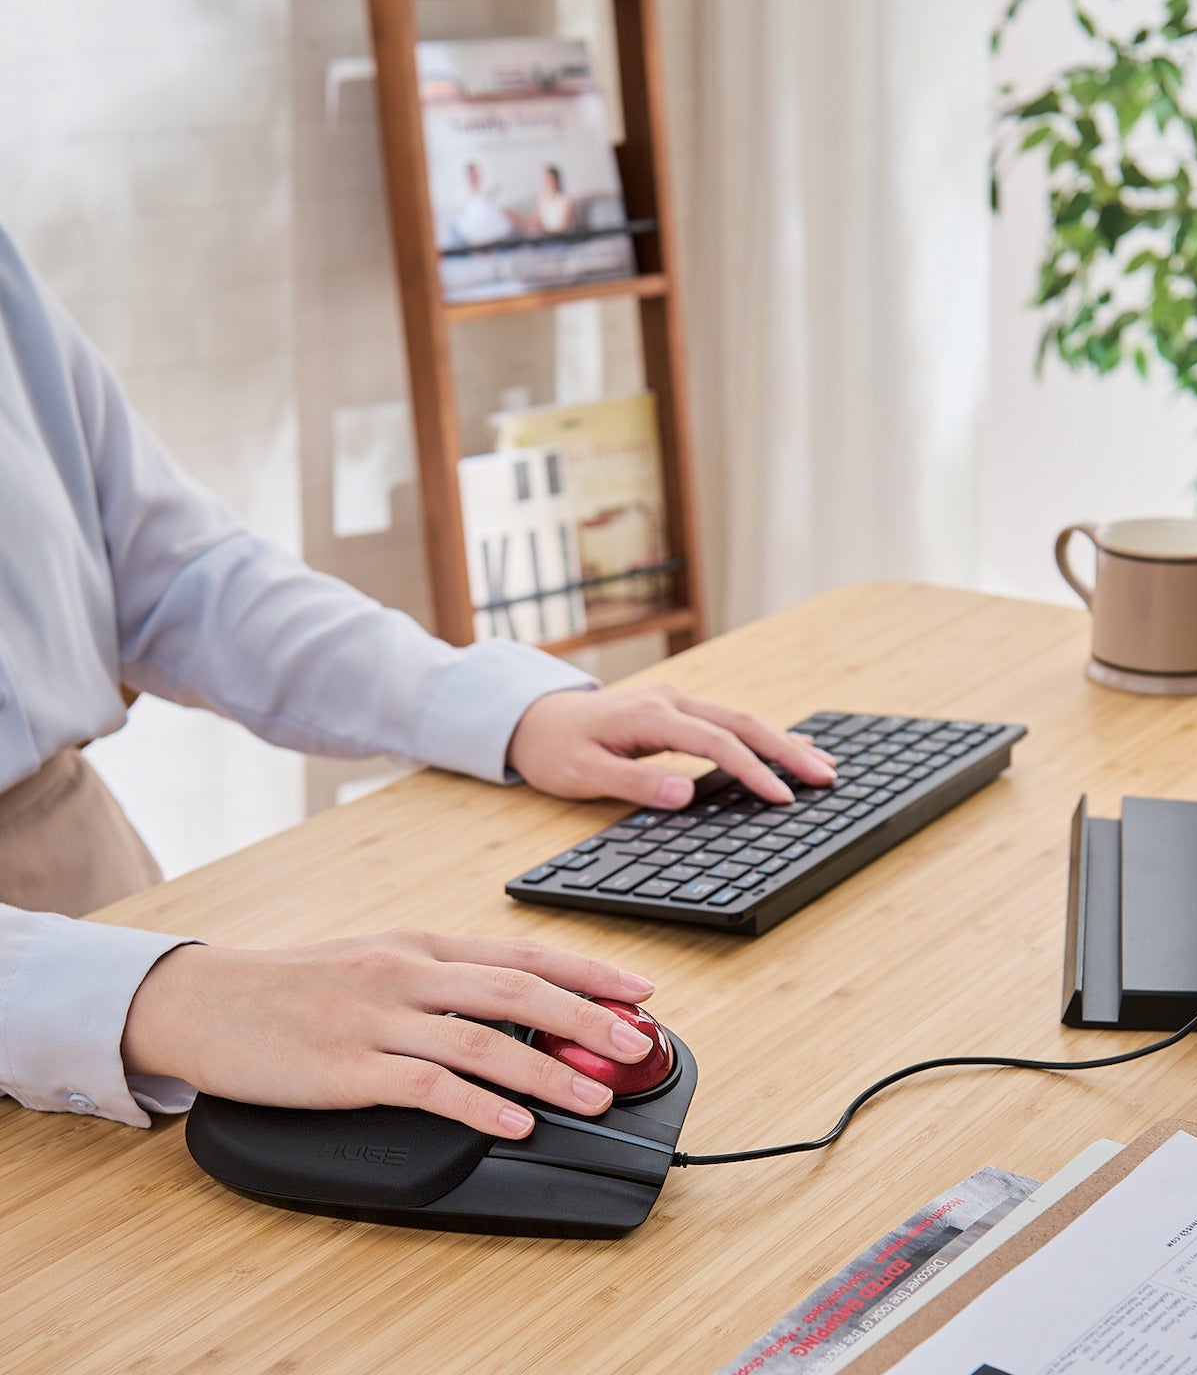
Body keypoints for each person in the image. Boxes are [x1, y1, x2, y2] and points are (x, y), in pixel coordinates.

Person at [0, 225, 836, 1141]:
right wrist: (161, 996)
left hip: (85, 876)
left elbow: (180, 579)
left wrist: (506, 711)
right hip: (120, 989)